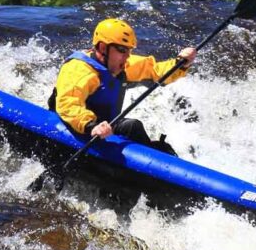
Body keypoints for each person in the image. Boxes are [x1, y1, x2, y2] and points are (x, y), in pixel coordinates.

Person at [48, 18, 196, 154]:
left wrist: (180, 63)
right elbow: (68, 104)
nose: (127, 56)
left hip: (103, 127)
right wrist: (90, 125)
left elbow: (156, 71)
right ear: (103, 48)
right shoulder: (78, 70)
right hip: (74, 128)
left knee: (133, 127)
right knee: (131, 126)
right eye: (122, 50)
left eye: (129, 50)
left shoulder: (120, 65)